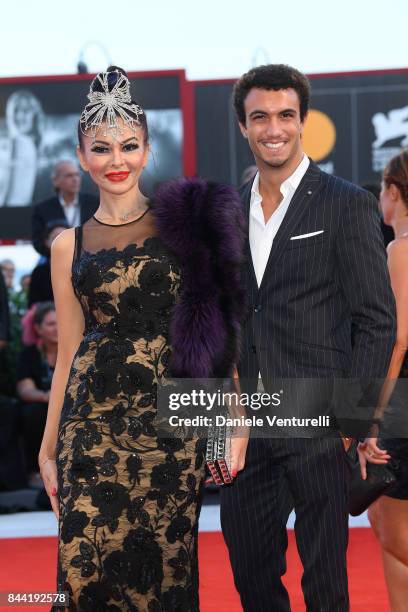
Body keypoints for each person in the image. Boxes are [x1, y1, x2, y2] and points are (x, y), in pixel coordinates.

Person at [38, 66, 245, 610]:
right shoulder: (68, 246)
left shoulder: (187, 223)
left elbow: (219, 330)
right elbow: (68, 356)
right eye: (101, 148)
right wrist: (48, 447)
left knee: (163, 578)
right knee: (85, 579)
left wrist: (234, 420)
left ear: (148, 150)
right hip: (90, 431)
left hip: (169, 433)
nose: (116, 161)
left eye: (129, 146)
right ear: (82, 156)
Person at [220, 64, 396, 612]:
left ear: (303, 121)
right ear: (243, 126)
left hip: (319, 424)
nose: (274, 128)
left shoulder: (346, 203)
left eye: (286, 115)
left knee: (326, 587)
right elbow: (216, 318)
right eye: (260, 117)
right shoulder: (224, 212)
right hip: (246, 428)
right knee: (252, 579)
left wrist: (351, 423)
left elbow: (376, 320)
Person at [358, 150, 408, 612]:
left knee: (394, 537)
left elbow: (398, 341)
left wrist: (371, 415)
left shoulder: (401, 248)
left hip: (402, 408)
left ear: (394, 190)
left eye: (380, 191)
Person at [16, 302, 57, 488]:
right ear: (38, 329)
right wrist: (46, 396)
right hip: (42, 405)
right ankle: (35, 470)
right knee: (32, 413)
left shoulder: (75, 348)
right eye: (50, 324)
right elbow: (25, 389)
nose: (57, 328)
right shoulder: (30, 355)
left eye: (59, 322)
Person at [32, 160, 98, 256]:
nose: (75, 179)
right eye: (69, 176)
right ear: (56, 181)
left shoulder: (94, 203)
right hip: (57, 263)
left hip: (90, 263)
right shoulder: (42, 209)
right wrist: (52, 244)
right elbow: (37, 242)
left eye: (77, 175)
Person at [28, 220, 70, 307]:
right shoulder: (39, 272)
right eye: (55, 237)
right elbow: (33, 305)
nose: (61, 242)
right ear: (47, 242)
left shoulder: (83, 268)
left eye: (65, 237)